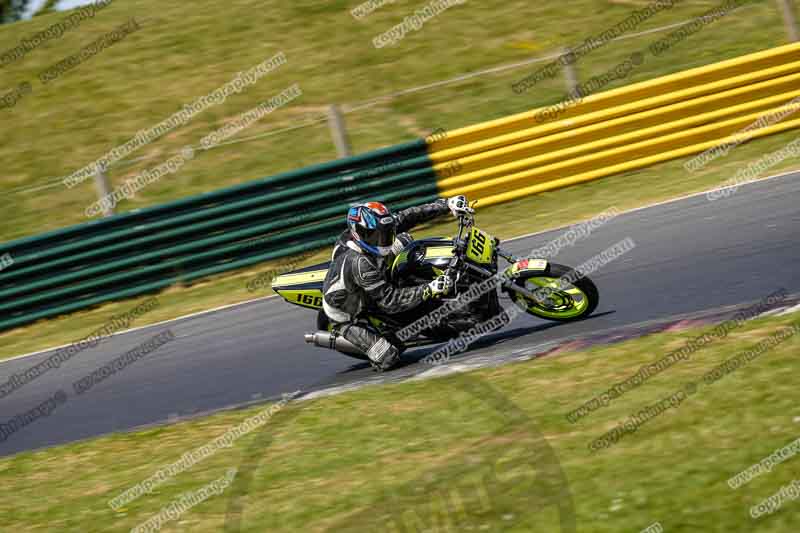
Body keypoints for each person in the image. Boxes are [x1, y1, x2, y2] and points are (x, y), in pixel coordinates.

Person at [322, 195, 474, 371]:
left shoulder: (374, 229)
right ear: (359, 233)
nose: (382, 239)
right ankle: (377, 336)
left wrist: (446, 204)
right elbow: (390, 300)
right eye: (375, 236)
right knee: (389, 357)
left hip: (367, 280)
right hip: (349, 310)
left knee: (404, 239)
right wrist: (429, 289)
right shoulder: (358, 263)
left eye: (385, 233)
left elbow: (409, 216)